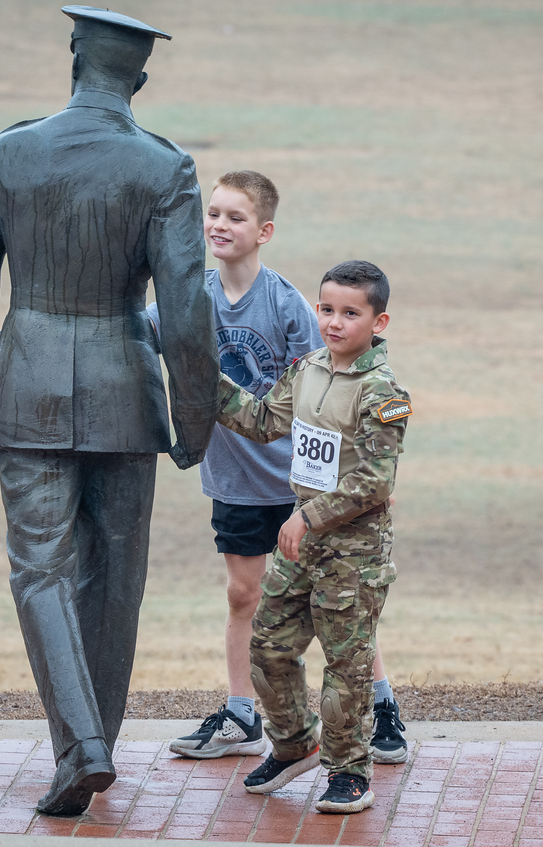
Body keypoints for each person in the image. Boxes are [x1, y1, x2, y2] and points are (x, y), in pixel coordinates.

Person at [0, 6, 219, 817]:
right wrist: (193, 420)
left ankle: (82, 747)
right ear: (138, 79)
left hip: (26, 380)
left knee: (40, 568)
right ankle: (92, 743)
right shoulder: (165, 167)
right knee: (116, 576)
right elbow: (189, 309)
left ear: (73, 60)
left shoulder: (10, 150)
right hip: (126, 390)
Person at [149, 172, 408, 765]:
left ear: (264, 231)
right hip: (234, 477)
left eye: (235, 216)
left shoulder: (293, 307)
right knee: (249, 598)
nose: (219, 225)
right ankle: (249, 717)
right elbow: (140, 337)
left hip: (305, 488)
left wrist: (350, 492)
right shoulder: (190, 297)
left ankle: (378, 711)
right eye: (212, 213)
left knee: (337, 608)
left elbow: (327, 407)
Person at [215, 260, 411, 814]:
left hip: (354, 552)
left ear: (379, 321)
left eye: (351, 313)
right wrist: (204, 378)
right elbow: (259, 421)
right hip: (302, 545)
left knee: (346, 667)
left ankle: (350, 772)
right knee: (270, 646)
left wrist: (307, 516)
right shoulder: (306, 371)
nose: (334, 322)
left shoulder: (383, 391)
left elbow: (376, 482)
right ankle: (297, 742)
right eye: (326, 309)